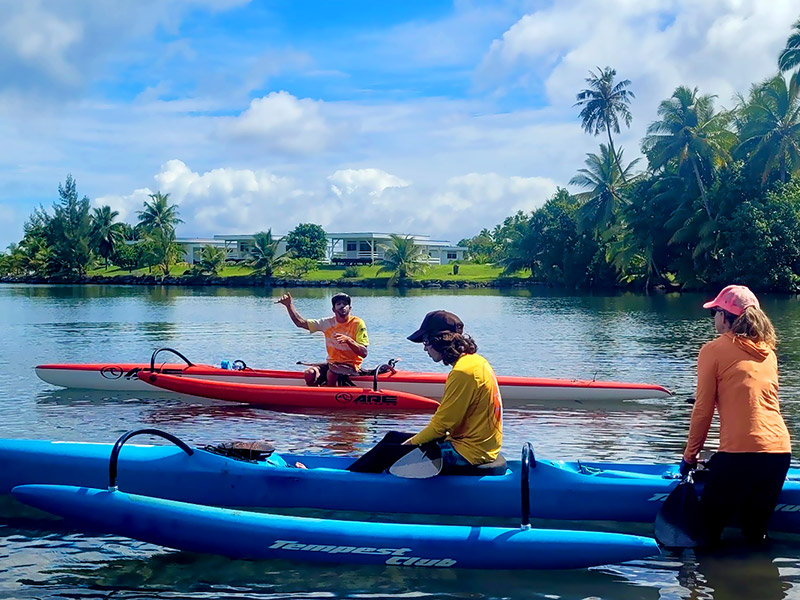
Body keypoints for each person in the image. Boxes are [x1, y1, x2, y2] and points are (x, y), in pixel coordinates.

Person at [681, 284, 791, 546]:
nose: (714, 319)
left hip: (741, 455)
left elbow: (703, 411)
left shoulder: (713, 350)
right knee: (755, 535)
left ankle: (699, 584)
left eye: (715, 313)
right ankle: (764, 580)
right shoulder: (769, 354)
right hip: (779, 453)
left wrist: (690, 456)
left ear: (726, 317)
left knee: (704, 535)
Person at [348, 310, 503, 473]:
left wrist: (408, 446)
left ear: (440, 340)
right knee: (392, 438)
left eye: (425, 342)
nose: (425, 349)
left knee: (387, 451)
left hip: (468, 454)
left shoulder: (463, 372)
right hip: (476, 446)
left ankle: (348, 483)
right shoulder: (476, 362)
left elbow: (440, 427)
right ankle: (352, 475)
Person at [275, 292, 369, 387]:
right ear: (333, 309)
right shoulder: (327, 323)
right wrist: (289, 305)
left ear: (350, 308)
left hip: (351, 366)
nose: (342, 306)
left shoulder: (358, 323)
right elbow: (300, 323)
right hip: (332, 364)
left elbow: (364, 353)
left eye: (345, 304)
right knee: (309, 374)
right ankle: (317, 395)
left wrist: (349, 340)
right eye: (339, 304)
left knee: (332, 373)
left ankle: (330, 395)